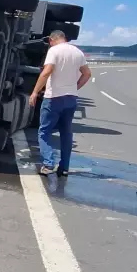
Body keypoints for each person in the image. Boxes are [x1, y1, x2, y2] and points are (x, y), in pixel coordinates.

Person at [28, 30, 92, 177]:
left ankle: (48, 164)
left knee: (44, 131)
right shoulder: (77, 52)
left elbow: (46, 72)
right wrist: (74, 87)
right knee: (66, 133)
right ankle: (64, 167)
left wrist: (35, 92)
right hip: (71, 98)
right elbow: (87, 74)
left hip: (54, 97)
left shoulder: (54, 51)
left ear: (51, 40)